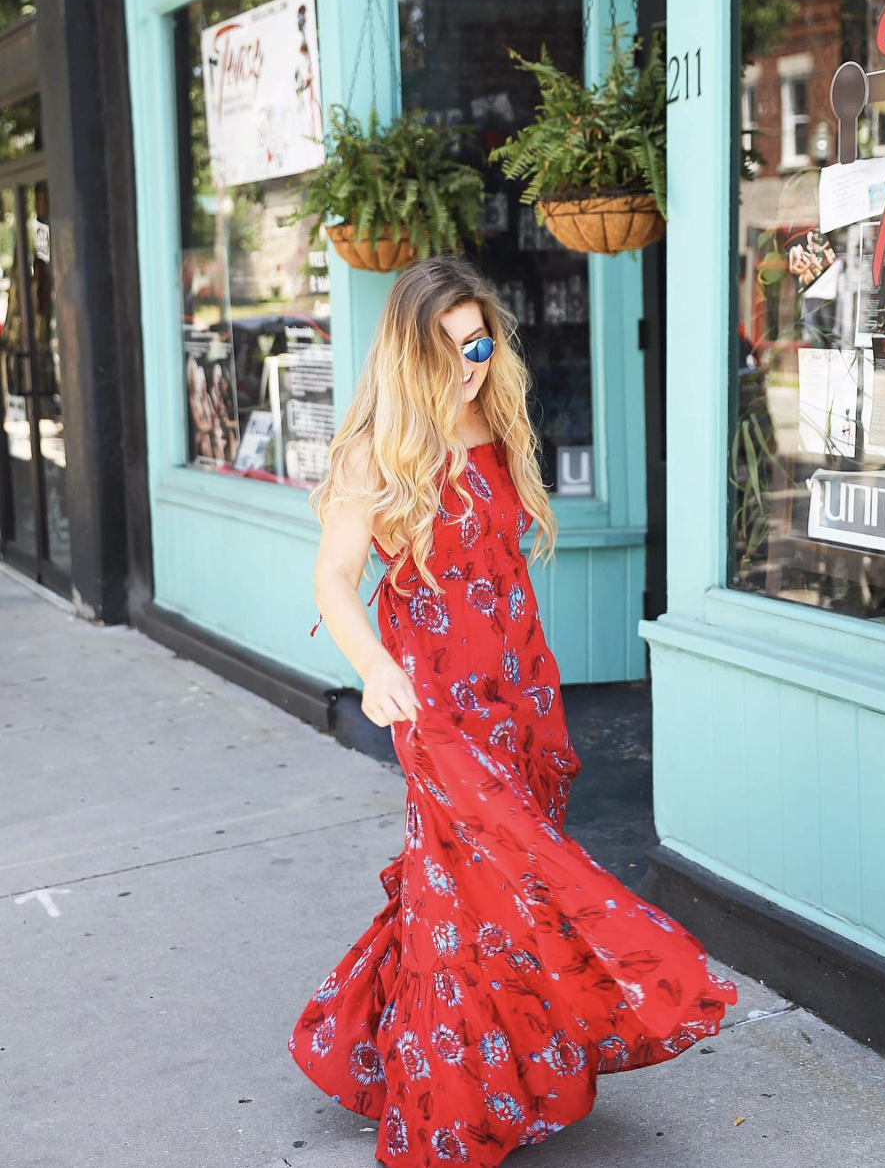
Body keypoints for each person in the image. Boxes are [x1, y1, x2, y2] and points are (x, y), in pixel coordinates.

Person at [288, 255, 738, 1168]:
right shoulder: (377, 448)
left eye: (480, 345)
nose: (469, 366)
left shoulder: (494, 423)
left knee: (473, 890)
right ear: (407, 352)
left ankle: (428, 1056)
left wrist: (532, 685)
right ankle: (449, 1112)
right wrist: (372, 666)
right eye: (448, 350)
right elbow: (334, 580)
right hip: (434, 702)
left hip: (518, 691)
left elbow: (503, 575)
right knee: (492, 877)